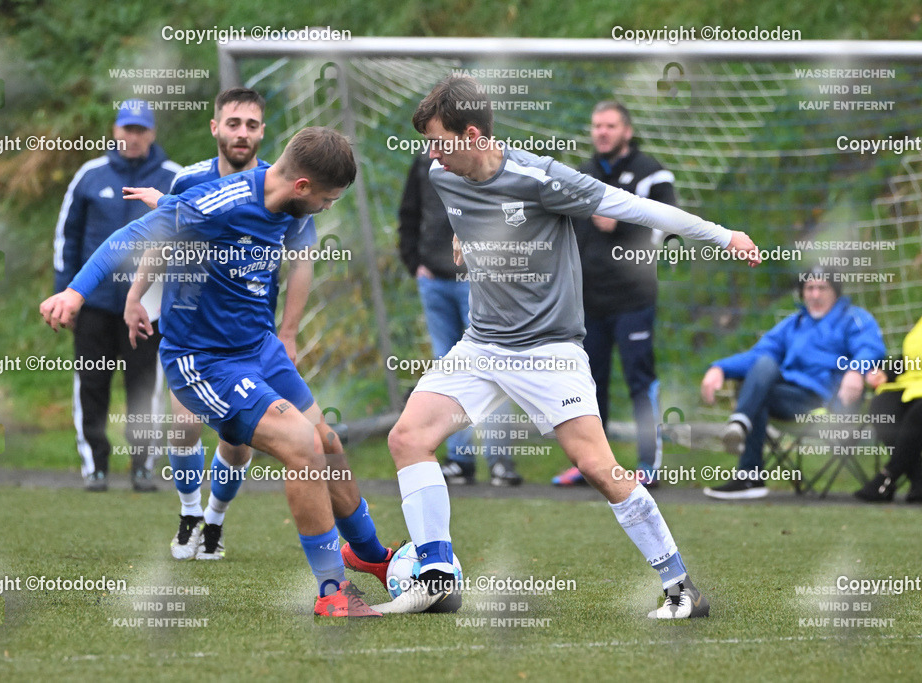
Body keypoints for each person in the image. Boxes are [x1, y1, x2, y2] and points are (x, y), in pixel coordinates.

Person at [375, 75, 762, 619]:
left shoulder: (542, 177)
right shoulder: (444, 172)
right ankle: (436, 578)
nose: (430, 154)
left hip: (549, 352)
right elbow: (470, 216)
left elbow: (637, 209)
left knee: (600, 469)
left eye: (439, 140)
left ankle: (681, 589)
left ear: (471, 134)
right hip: (482, 346)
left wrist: (723, 235)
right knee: (408, 437)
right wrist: (467, 240)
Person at [40, 127, 385, 618]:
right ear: (302, 187)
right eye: (328, 200)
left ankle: (373, 558)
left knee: (326, 441)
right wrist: (74, 293)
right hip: (204, 361)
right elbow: (132, 235)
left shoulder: (277, 198)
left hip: (259, 347)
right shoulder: (219, 202)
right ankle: (332, 592)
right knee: (302, 446)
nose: (328, 209)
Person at [123, 87, 318, 561]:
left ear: (262, 132)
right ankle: (189, 513)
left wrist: (289, 333)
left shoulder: (284, 186)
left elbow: (303, 262)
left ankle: (214, 521)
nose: (242, 133)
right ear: (215, 128)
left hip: (249, 334)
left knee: (237, 438)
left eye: (252, 125)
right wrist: (135, 295)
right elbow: (162, 237)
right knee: (184, 423)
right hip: (190, 327)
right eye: (233, 123)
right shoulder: (189, 180)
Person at [52, 99, 181, 492]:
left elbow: (188, 237)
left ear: (152, 134)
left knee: (145, 387)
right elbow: (67, 238)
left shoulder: (174, 177)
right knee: (92, 384)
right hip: (95, 305)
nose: (133, 136)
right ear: (115, 131)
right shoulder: (90, 175)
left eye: (141, 130)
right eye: (127, 128)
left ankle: (143, 465)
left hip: (150, 308)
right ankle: (96, 464)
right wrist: (65, 294)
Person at [554, 101, 673, 489]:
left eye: (609, 125)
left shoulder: (651, 173)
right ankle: (593, 464)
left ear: (626, 130)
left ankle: (649, 463)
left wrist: (621, 226)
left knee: (639, 379)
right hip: (588, 300)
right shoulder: (582, 174)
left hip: (633, 298)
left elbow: (667, 229)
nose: (601, 132)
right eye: (596, 125)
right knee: (588, 383)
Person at [700, 268, 886, 500]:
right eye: (809, 288)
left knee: (759, 390)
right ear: (802, 293)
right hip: (788, 398)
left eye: (822, 288)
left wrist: (856, 370)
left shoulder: (854, 318)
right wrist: (719, 368)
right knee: (764, 363)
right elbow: (759, 354)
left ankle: (747, 465)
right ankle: (743, 441)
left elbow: (871, 349)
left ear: (836, 292)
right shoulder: (794, 324)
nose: (815, 295)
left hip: (827, 404)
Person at [398, 152, 521, 486]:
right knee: (446, 367)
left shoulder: (490, 160)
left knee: (492, 365)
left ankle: (500, 461)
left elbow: (509, 217)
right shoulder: (426, 162)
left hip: (478, 281)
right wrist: (415, 263)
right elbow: (408, 214)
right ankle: (460, 459)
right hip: (434, 281)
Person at [855, 307, 922, 503]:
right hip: (915, 384)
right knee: (882, 406)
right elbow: (910, 358)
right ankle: (919, 479)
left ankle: (887, 477)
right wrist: (886, 374)